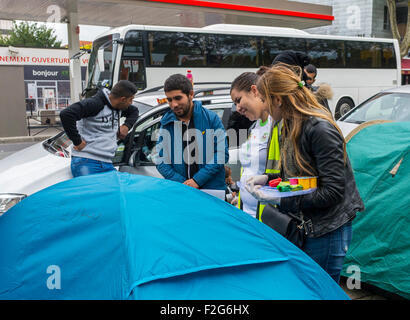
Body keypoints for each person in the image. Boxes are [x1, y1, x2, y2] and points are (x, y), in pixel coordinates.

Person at [245, 64, 364, 283]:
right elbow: (298, 176)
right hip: (307, 228)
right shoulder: (288, 124)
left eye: (265, 99)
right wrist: (270, 181)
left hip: (327, 231)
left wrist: (282, 198)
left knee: (320, 291)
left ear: (278, 100)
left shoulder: (319, 129)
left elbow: (333, 192)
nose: (264, 106)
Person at [154, 74, 229, 191]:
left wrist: (197, 180)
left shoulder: (211, 118)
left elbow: (221, 154)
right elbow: (160, 160)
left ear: (191, 95)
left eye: (178, 98)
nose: (174, 104)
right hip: (181, 190)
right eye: (169, 100)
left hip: (211, 191)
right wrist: (182, 183)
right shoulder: (166, 123)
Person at [60, 80, 139, 177]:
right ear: (123, 99)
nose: (131, 103)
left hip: (107, 163)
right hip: (87, 161)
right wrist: (77, 141)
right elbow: (66, 114)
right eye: (130, 100)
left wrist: (126, 126)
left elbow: (134, 111)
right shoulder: (95, 104)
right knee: (92, 192)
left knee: (113, 191)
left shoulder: (118, 107)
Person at [230, 69, 281, 218]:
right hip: (247, 214)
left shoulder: (277, 124)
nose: (237, 108)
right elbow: (248, 172)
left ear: (254, 91)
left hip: (268, 218)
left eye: (238, 100)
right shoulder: (254, 126)